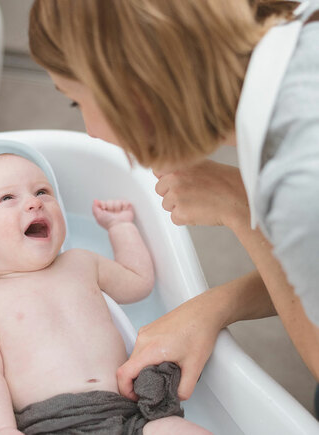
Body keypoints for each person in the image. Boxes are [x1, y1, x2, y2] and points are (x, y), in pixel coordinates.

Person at [28, 0, 319, 412]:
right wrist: (214, 307)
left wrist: (243, 208)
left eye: (78, 102)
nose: (90, 133)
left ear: (135, 88)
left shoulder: (299, 175)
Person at [0, 153, 211, 435]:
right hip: (53, 424)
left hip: (130, 416)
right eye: (7, 198)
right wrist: (0, 430)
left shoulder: (80, 262)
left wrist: (119, 227)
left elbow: (138, 282)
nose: (35, 202)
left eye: (42, 191)